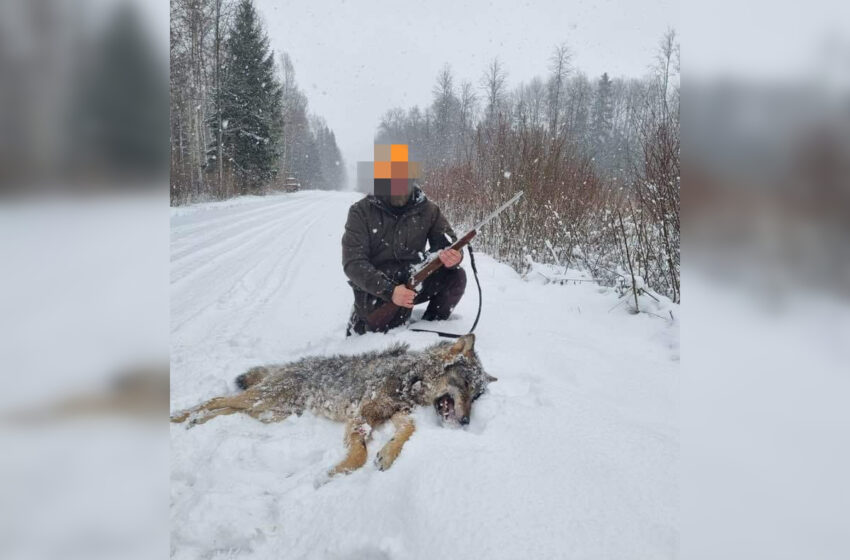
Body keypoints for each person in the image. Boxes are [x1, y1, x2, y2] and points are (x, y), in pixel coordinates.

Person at [342, 182, 466, 335]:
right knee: (377, 337)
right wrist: (390, 291)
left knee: (456, 276)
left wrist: (454, 257)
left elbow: (448, 243)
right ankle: (361, 318)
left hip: (414, 282)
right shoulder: (360, 211)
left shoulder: (429, 209)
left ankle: (431, 327)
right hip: (377, 290)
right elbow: (353, 263)